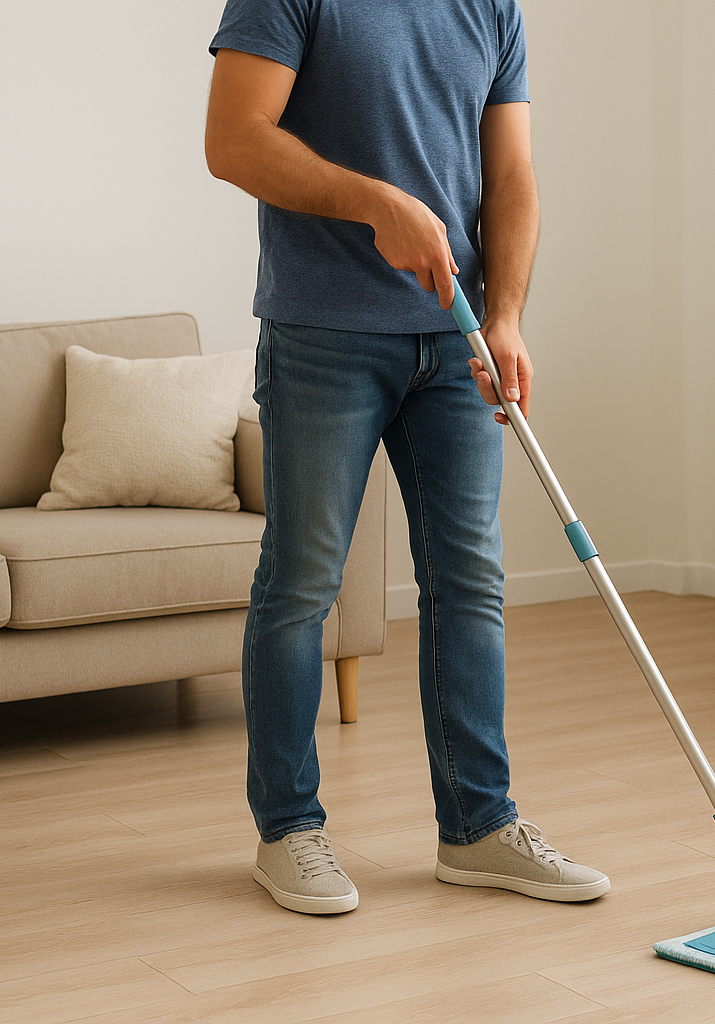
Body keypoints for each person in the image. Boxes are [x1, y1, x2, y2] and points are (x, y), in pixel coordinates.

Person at [204, 0, 608, 915]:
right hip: (323, 337)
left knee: (470, 584)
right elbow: (234, 141)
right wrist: (374, 201)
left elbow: (511, 176)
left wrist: (505, 314)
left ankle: (478, 827)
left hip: (458, 341)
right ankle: (289, 832)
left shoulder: (491, 7)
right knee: (303, 583)